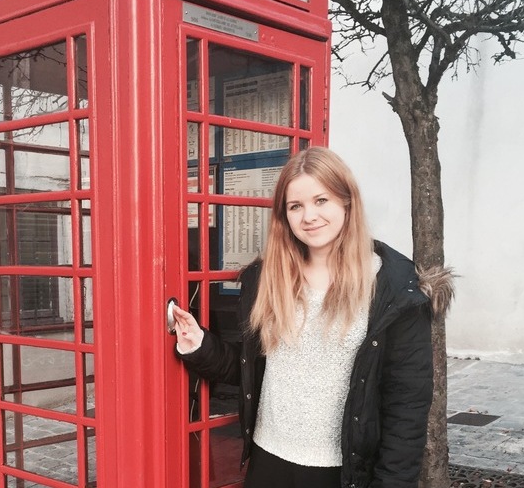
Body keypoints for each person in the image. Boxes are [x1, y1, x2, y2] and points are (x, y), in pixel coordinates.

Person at [172, 146, 436, 488]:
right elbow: (251, 368)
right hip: (267, 462)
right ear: (284, 215)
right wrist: (200, 345)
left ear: (347, 201)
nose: (309, 216)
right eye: (296, 206)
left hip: (341, 472)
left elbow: (407, 405)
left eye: (321, 200)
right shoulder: (267, 278)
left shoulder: (394, 288)